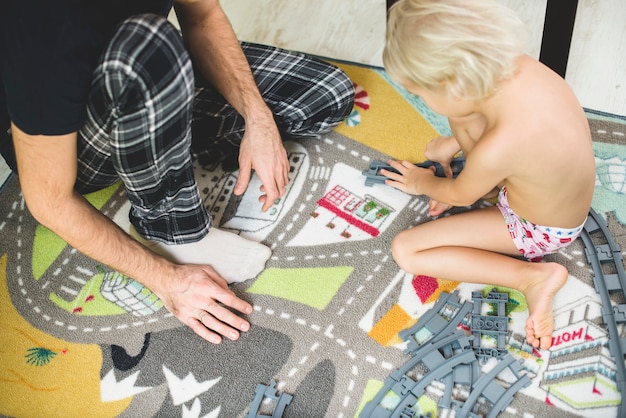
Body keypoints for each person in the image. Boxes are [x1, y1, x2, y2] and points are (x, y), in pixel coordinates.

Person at [0, 0, 354, 344]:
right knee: (148, 44)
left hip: (146, 72)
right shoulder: (42, 19)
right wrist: (163, 278)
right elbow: (48, 200)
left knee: (325, 94)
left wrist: (257, 119)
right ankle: (171, 231)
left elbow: (203, 16)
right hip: (71, 145)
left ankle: (157, 138)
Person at [381, 0, 595, 350]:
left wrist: (423, 182)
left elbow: (461, 194)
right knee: (463, 119)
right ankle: (453, 146)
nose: (420, 99)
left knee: (407, 250)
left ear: (456, 87)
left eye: (419, 92)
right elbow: (488, 121)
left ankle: (532, 277)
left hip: (540, 228)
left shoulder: (500, 145)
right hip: (555, 192)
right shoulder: (518, 66)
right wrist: (452, 143)